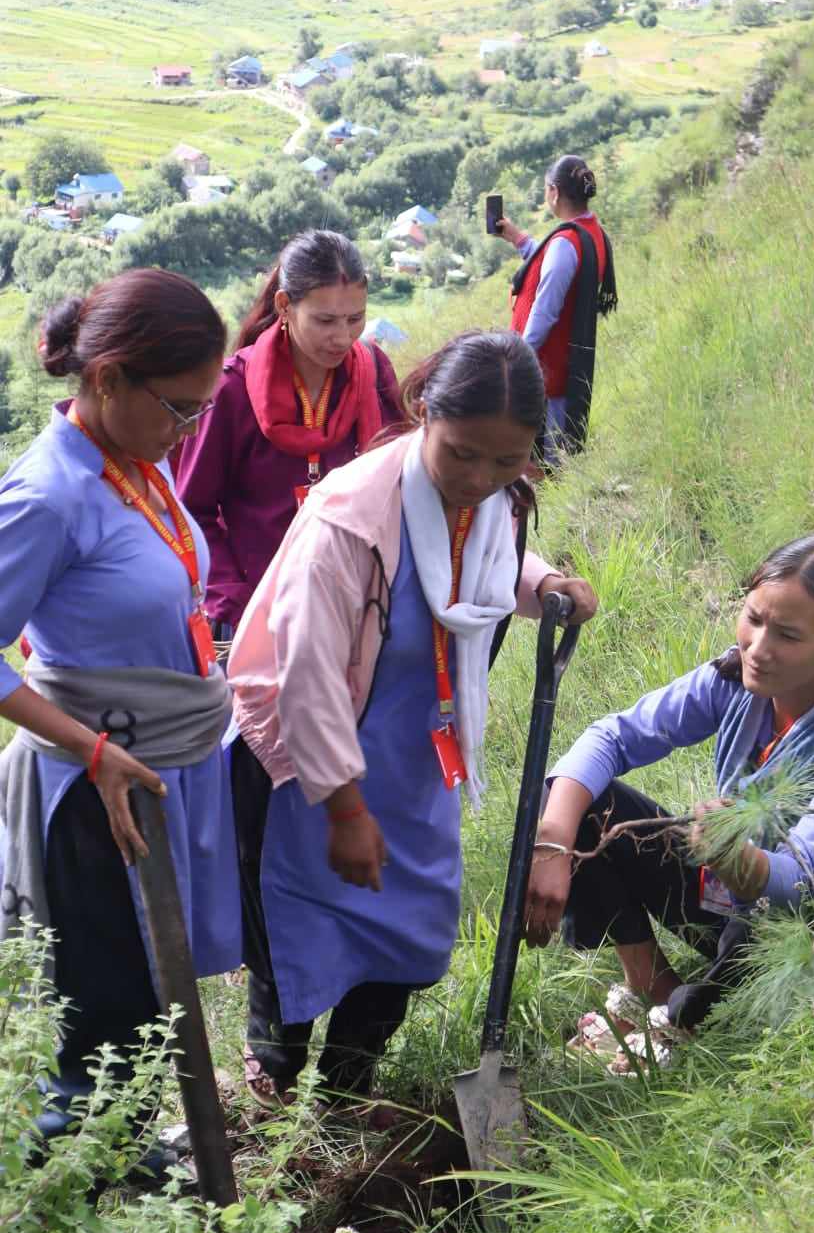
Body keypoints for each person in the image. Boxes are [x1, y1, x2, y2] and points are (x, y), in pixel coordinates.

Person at [226, 329, 598, 1113]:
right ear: (425, 411)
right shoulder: (346, 519)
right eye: (463, 455)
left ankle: (347, 1093)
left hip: (415, 751)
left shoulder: (495, 501)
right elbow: (306, 678)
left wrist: (546, 585)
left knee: (409, 932)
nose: (481, 479)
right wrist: (345, 810)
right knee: (302, 933)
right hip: (310, 761)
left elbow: (482, 562)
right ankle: (273, 1091)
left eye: (509, 461)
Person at [0, 269, 241, 1152]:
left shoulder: (133, 463)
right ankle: (61, 1229)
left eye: (201, 410)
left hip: (150, 776)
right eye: (180, 408)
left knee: (143, 1017)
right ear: (106, 381)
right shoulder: (49, 495)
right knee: (105, 1032)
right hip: (92, 800)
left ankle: (129, 1185)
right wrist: (93, 751)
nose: (191, 430)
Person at [524, 536, 814, 1073]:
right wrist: (551, 840)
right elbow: (612, 737)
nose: (758, 647)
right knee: (575, 802)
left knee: (701, 1014)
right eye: (753, 619)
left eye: (788, 635)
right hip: (731, 891)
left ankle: (678, 1011)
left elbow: (802, 882)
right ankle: (650, 986)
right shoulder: (735, 681)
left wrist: (732, 856)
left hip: (803, 929)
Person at [174, 230, 404, 638]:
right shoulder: (232, 390)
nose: (342, 337)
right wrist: (235, 601)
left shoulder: (371, 373)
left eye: (355, 319)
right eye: (325, 320)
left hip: (358, 605)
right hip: (260, 614)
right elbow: (192, 510)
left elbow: (399, 480)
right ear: (284, 305)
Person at [497, 154, 617, 465]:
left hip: (549, 369)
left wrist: (515, 358)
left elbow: (545, 311)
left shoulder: (566, 242)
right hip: (568, 363)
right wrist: (517, 237)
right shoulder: (592, 232)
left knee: (548, 461)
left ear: (554, 192)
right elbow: (553, 259)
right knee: (558, 452)